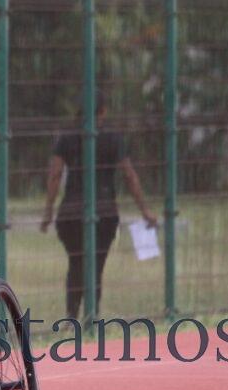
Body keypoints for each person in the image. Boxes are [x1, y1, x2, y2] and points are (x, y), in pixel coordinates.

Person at [40, 93, 157, 320]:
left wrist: (48, 212)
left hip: (71, 212)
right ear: (103, 111)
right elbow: (130, 176)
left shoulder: (67, 138)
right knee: (96, 265)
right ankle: (92, 316)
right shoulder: (113, 139)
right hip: (105, 211)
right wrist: (145, 211)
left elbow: (55, 175)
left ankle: (71, 317)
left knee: (76, 262)